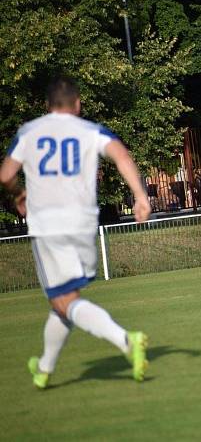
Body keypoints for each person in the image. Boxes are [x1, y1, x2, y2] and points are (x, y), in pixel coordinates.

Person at [0, 77, 152, 388]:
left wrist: (19, 194)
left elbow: (5, 175)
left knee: (62, 300)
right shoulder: (90, 131)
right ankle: (43, 368)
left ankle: (126, 341)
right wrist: (140, 196)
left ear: (47, 106)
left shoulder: (30, 132)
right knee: (65, 300)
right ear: (78, 104)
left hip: (48, 226)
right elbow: (121, 155)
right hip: (83, 223)